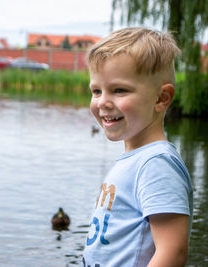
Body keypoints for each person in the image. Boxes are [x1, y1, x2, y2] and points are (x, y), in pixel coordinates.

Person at [82, 27, 193, 267]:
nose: (103, 102)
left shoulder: (156, 164)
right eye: (96, 91)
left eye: (119, 90)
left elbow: (172, 252)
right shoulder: (136, 160)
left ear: (161, 98)